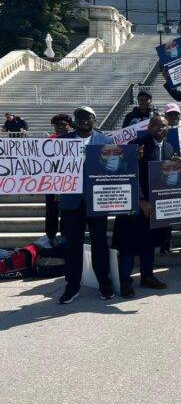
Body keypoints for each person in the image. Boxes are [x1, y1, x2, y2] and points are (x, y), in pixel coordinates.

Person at [112, 115, 175, 297]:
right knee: (129, 245)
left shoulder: (170, 147)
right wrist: (140, 199)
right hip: (134, 205)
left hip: (156, 206)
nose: (159, 128)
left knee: (149, 244)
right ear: (148, 127)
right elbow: (128, 172)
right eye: (155, 124)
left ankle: (147, 277)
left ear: (168, 128)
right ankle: (125, 281)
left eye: (163, 125)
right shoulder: (136, 144)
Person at [57, 106, 115, 304]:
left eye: (87, 117)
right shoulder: (62, 141)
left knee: (99, 243)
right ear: (74, 120)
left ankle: (104, 284)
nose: (83, 120)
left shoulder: (106, 141)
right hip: (72, 202)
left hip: (98, 200)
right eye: (79, 117)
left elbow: (115, 169)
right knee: (73, 246)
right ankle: (72, 286)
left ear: (94, 120)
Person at [44, 114, 74, 244]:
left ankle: (66, 235)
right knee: (52, 210)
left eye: (63, 124)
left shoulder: (76, 140)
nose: (60, 127)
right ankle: (50, 236)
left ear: (69, 126)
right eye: (57, 125)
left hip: (72, 183)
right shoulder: (49, 141)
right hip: (53, 184)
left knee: (68, 211)